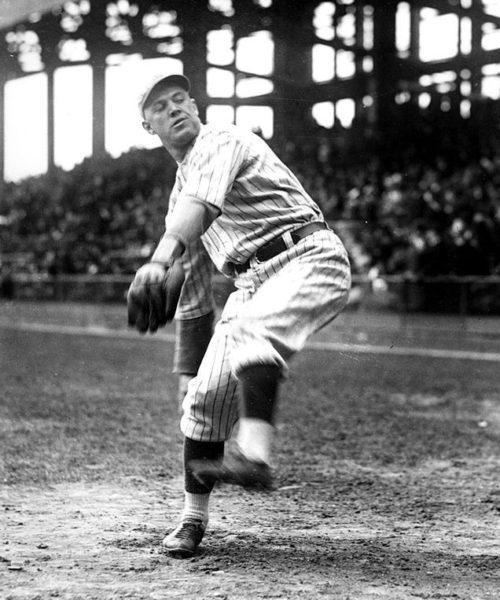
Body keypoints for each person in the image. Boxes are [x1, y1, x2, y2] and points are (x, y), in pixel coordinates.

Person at [128, 73, 351, 558]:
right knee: (204, 402)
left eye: (180, 98)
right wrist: (187, 371)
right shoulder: (178, 198)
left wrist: (159, 258)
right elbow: (193, 293)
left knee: (255, 330)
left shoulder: (221, 140)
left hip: (306, 256)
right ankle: (192, 519)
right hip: (250, 283)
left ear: (195, 105)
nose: (175, 108)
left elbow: (199, 210)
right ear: (148, 126)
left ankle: (254, 457)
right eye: (160, 106)